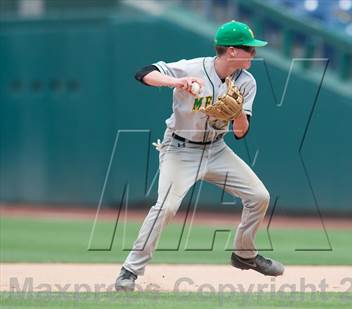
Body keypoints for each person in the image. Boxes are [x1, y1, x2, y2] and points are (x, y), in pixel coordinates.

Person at [115, 20, 284, 292]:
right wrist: (176, 81)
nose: (254, 54)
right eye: (249, 49)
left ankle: (244, 255)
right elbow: (143, 73)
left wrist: (237, 110)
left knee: (259, 197)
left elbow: (241, 133)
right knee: (166, 207)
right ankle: (130, 270)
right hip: (179, 149)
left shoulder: (247, 82)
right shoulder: (193, 68)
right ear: (231, 51)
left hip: (217, 150)